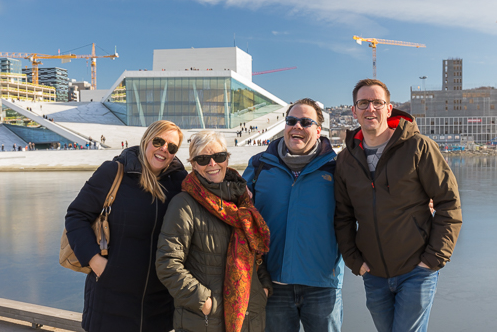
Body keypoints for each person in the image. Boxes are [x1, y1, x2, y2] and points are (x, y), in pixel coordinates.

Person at [334, 79, 462, 332]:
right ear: (354, 110)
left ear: (389, 109)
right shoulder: (346, 160)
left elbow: (449, 203)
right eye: (363, 103)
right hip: (373, 273)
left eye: (377, 103)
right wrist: (353, 260)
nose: (370, 108)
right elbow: (343, 216)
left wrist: (434, 257)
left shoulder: (418, 147)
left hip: (417, 270)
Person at [65, 120, 188, 332]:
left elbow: (208, 195)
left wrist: (243, 192)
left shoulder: (179, 182)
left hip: (158, 307)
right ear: (146, 140)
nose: (164, 150)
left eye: (172, 147)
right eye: (158, 141)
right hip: (110, 301)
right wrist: (96, 263)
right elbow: (76, 216)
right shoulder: (113, 172)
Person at [243, 98, 344, 332]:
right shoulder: (260, 165)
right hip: (272, 284)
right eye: (291, 120)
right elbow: (234, 207)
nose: (297, 126)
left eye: (305, 122)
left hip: (322, 285)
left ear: (319, 130)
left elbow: (364, 207)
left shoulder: (336, 168)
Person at [156, 130, 272, 332]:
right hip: (205, 321)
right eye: (203, 159)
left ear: (227, 159)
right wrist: (205, 302)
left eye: (218, 157)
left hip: (249, 316)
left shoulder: (242, 201)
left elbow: (256, 250)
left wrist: (263, 287)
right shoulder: (184, 205)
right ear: (193, 163)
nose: (212, 164)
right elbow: (167, 263)